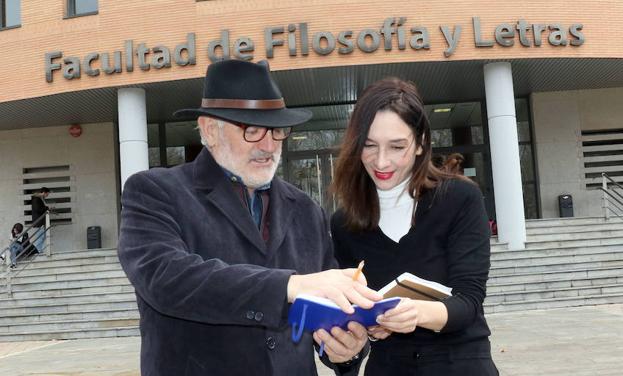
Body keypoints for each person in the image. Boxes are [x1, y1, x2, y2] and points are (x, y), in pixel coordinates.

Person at [117, 59, 382, 376]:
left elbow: (324, 312)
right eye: (252, 131)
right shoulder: (155, 192)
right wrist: (290, 285)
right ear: (209, 130)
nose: (269, 145)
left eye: (276, 130)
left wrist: (345, 350)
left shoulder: (305, 210)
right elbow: (165, 279)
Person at [330, 78, 498, 375]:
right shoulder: (345, 223)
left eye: (397, 147)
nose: (381, 162)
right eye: (369, 146)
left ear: (421, 143)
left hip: (460, 364)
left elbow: (468, 302)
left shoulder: (459, 198)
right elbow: (352, 314)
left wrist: (414, 313)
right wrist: (364, 332)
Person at [30, 186, 50, 253]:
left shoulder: (40, 198)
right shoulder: (37, 199)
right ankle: (38, 250)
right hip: (39, 220)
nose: (47, 195)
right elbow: (38, 209)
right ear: (44, 192)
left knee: (42, 236)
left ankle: (39, 250)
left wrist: (46, 208)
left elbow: (40, 208)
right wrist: (46, 208)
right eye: (47, 194)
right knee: (40, 236)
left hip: (41, 220)